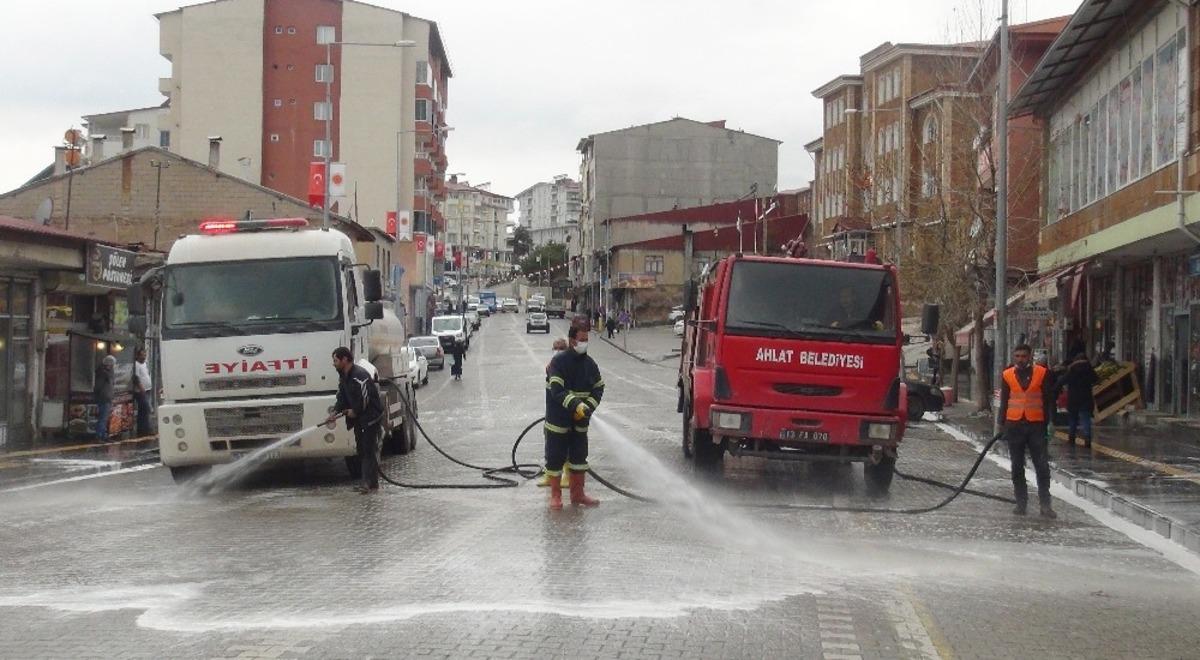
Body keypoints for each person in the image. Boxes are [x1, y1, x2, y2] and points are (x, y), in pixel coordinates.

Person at [544, 323, 605, 510]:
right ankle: (555, 496)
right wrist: (576, 404)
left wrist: (588, 407)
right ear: (571, 340)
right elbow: (557, 390)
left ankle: (578, 495)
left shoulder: (590, 364)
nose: (584, 343)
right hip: (558, 420)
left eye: (586, 340)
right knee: (555, 458)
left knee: (579, 458)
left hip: (580, 422)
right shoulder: (559, 362)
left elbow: (598, 388)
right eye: (581, 340)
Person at [997, 344, 1057, 518]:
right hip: (1014, 425)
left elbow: (1048, 399)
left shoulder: (1042, 373)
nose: (1020, 359)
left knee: (1042, 466)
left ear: (1030, 356)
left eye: (1023, 356)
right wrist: (1001, 425)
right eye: (1017, 356)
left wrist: (1050, 422)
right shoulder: (1007, 375)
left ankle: (1045, 504)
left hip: (1036, 426)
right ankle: (1021, 503)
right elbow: (1004, 401)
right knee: (1017, 466)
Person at [326, 347, 384, 494]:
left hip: (370, 417)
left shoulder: (359, 375)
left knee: (367, 450)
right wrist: (335, 411)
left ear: (345, 359)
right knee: (362, 450)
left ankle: (367, 484)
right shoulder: (344, 376)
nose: (334, 364)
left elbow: (365, 398)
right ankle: (371, 484)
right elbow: (342, 396)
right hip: (360, 418)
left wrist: (355, 411)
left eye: (335, 360)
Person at [538, 338, 572, 489]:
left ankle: (567, 474)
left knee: (565, 446)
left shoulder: (570, 368)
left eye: (560, 349)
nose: (557, 351)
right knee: (550, 446)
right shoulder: (550, 367)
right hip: (551, 413)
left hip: (565, 415)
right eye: (555, 348)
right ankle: (549, 474)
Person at [1056, 352, 1098, 448]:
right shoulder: (1089, 369)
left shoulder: (1072, 370)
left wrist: (1055, 390)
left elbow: (1062, 381)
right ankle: (1087, 438)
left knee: (1073, 419)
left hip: (1073, 398)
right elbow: (1096, 379)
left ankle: (1071, 437)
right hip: (1086, 398)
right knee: (1085, 419)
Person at [93, 355, 116, 442]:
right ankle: (99, 436)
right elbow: (98, 386)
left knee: (105, 418)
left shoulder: (106, 373)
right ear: (109, 364)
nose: (113, 366)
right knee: (103, 418)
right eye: (112, 364)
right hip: (104, 398)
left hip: (107, 397)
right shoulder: (103, 373)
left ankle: (103, 435)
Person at [133, 348, 153, 437]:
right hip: (141, 391)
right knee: (146, 408)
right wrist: (142, 389)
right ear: (138, 356)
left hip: (147, 389)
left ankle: (143, 429)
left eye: (145, 355)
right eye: (142, 355)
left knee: (143, 411)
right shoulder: (136, 364)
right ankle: (145, 429)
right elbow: (136, 379)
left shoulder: (144, 364)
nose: (144, 357)